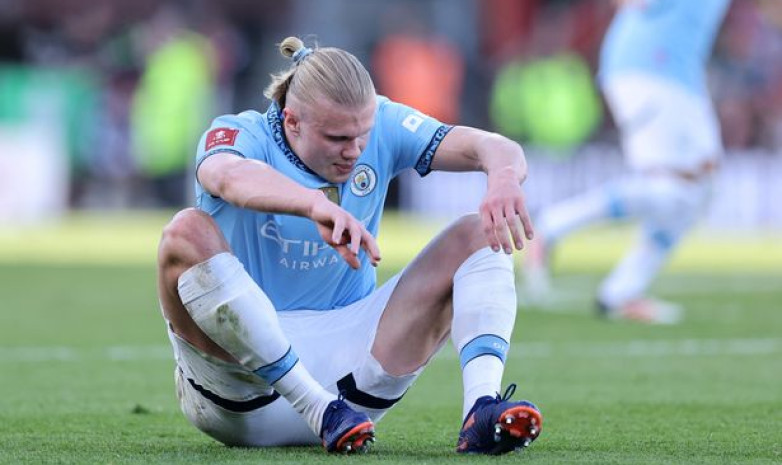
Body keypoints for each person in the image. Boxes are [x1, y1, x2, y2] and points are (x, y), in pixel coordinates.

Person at [157, 36, 542, 455]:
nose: (354, 151)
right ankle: (314, 405)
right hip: (242, 391)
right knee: (185, 231)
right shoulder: (240, 133)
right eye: (337, 138)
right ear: (292, 121)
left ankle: (481, 409)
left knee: (479, 232)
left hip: (352, 384)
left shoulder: (384, 122)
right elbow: (226, 176)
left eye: (363, 135)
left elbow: (493, 146)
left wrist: (503, 177)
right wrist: (313, 204)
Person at [523, 0, 732, 324]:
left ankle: (622, 292)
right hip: (655, 68)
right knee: (677, 186)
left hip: (674, 73)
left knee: (700, 189)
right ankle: (550, 226)